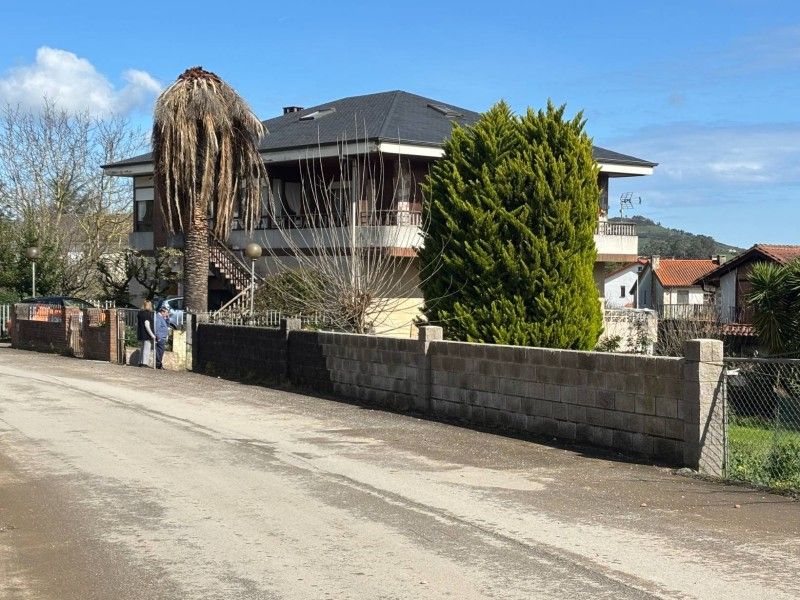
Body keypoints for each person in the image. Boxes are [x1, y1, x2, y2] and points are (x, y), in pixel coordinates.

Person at [136, 300, 156, 367]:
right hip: (147, 334)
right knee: (146, 349)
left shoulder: (140, 313)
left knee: (142, 348)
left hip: (141, 333)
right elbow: (147, 325)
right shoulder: (147, 314)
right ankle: (144, 363)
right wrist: (152, 335)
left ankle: (140, 362)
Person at [155, 305, 171, 370]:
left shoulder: (162, 318)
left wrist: (167, 318)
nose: (167, 314)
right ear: (162, 312)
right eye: (166, 312)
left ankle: (159, 364)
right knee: (160, 351)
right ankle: (158, 364)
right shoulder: (158, 318)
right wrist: (158, 337)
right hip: (160, 338)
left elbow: (167, 325)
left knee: (161, 351)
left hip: (162, 337)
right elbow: (156, 328)